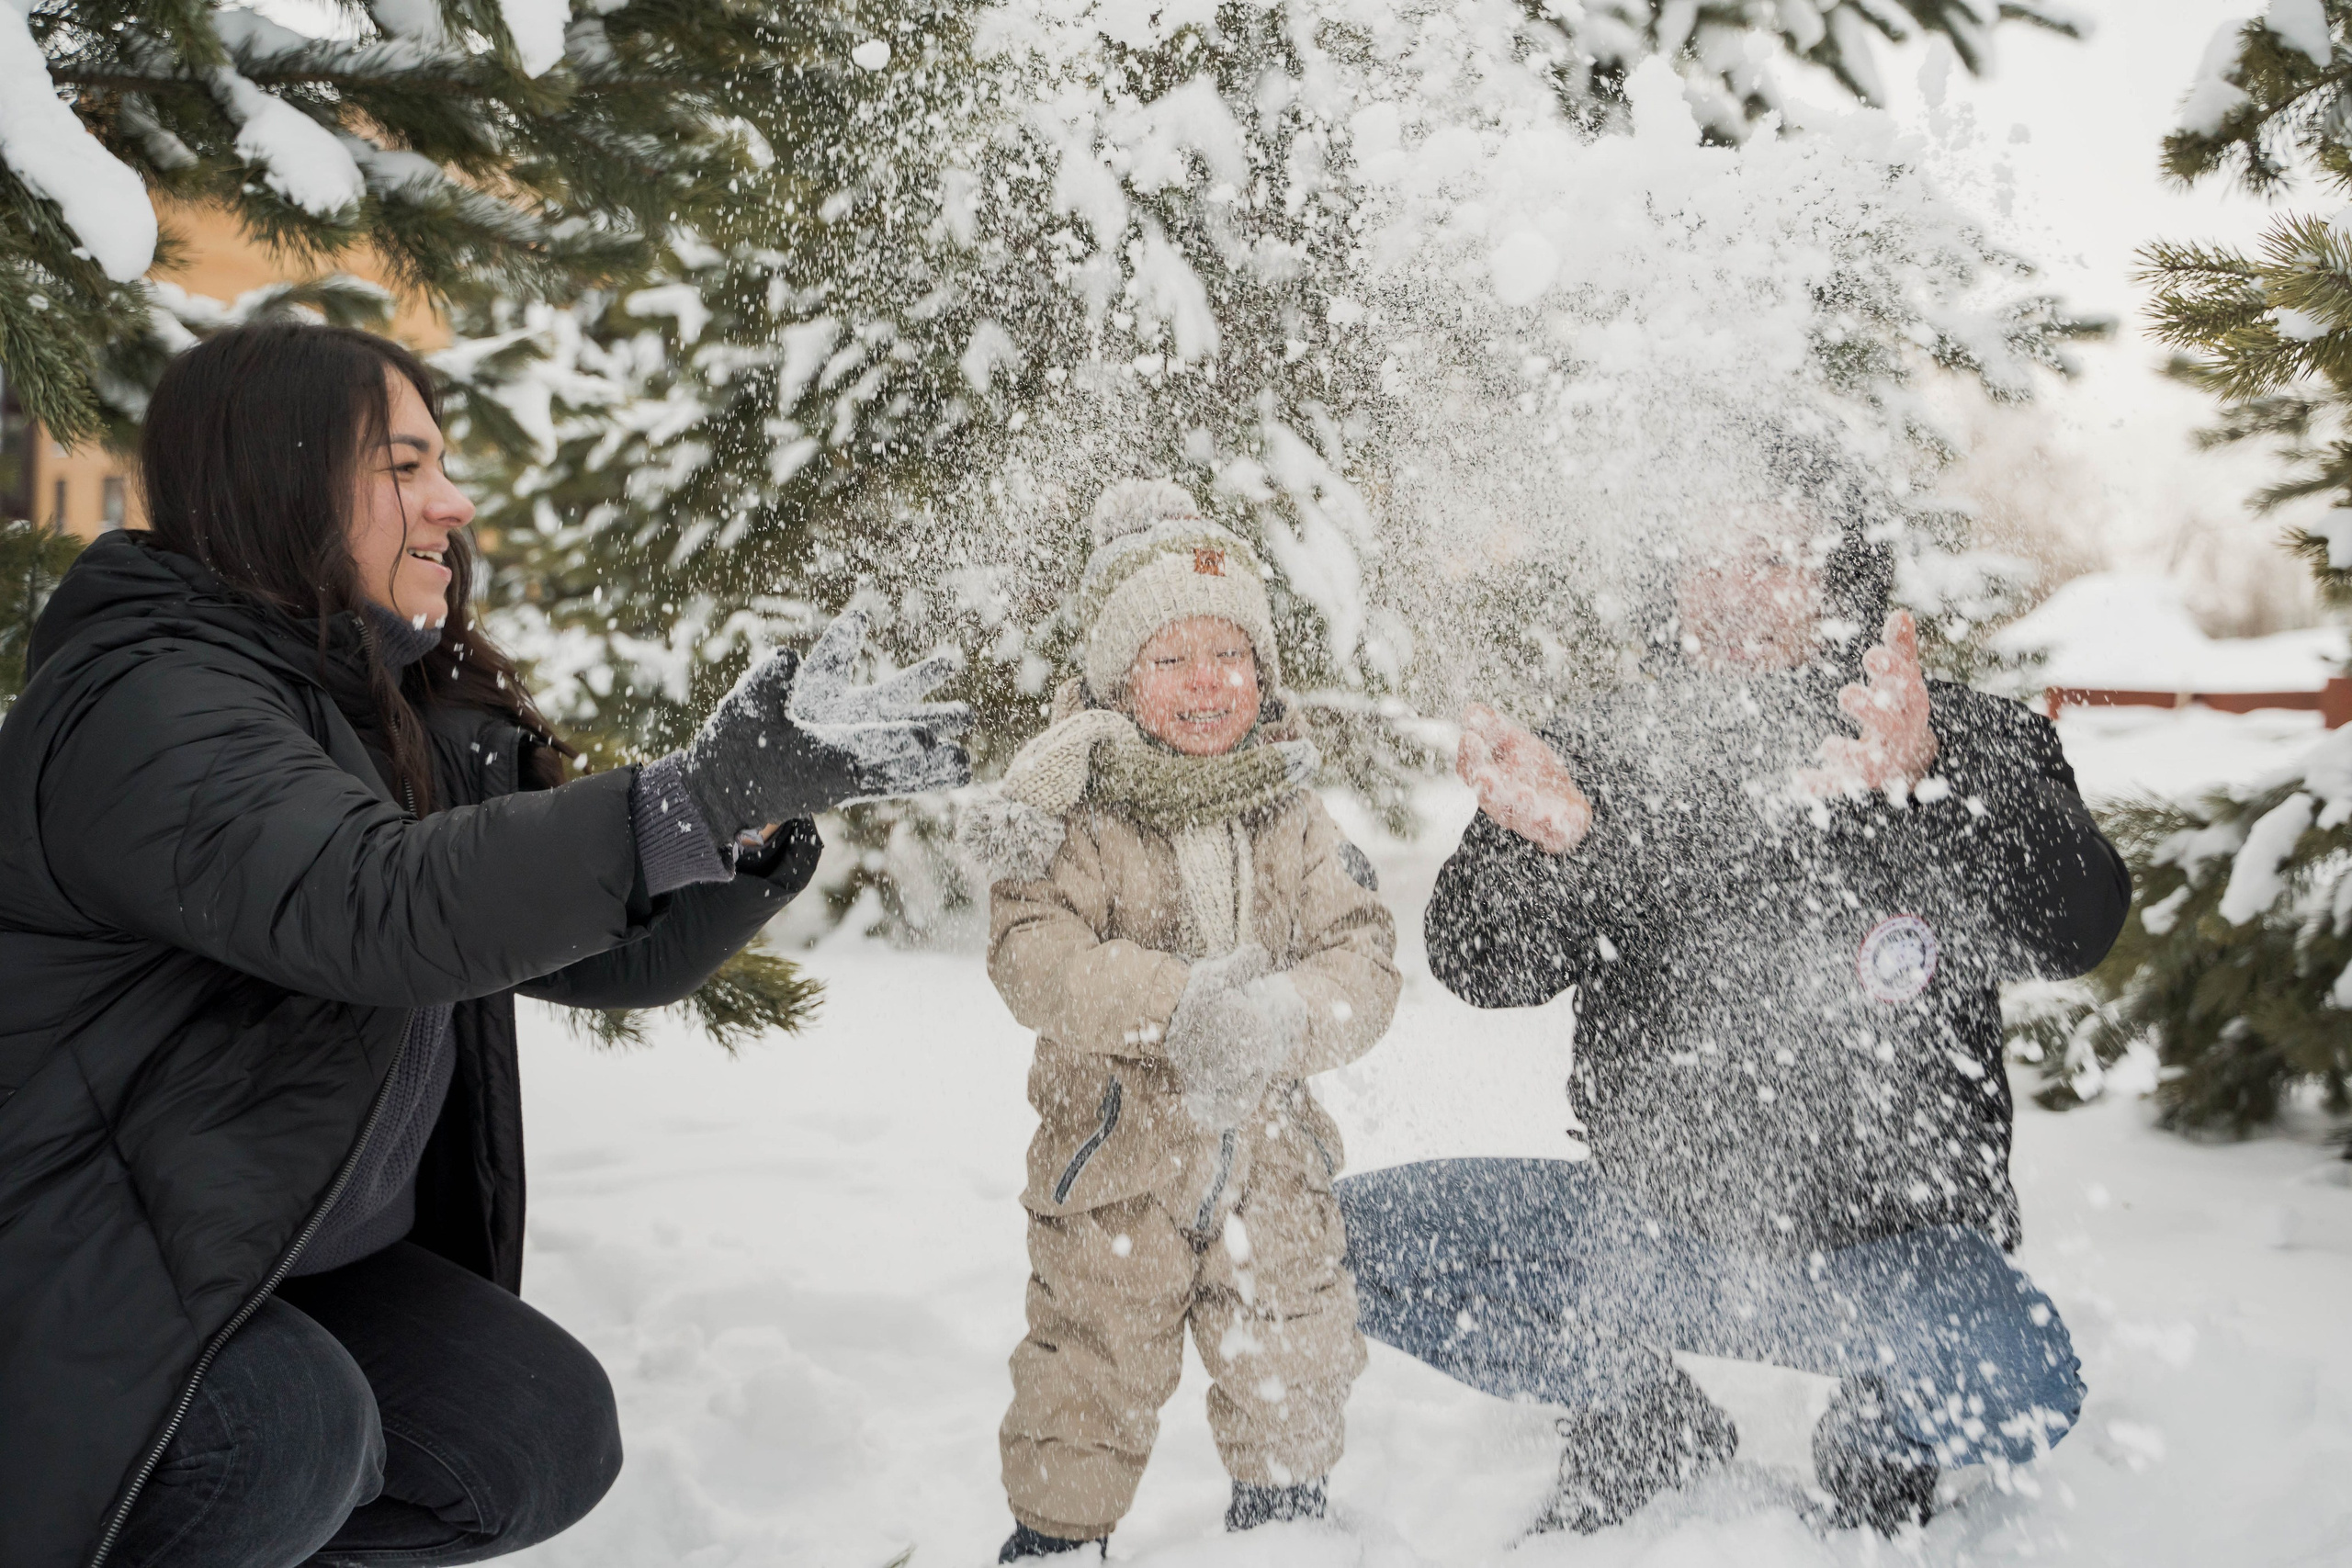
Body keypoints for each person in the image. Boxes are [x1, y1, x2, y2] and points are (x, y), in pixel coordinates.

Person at [0, 321, 970, 1568]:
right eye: (405, 465)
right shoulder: (152, 701)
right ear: (279, 480)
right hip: (66, 1261)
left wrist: (747, 811)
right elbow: (377, 902)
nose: (454, 502)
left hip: (256, 1254)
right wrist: (684, 796)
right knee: (289, 1434)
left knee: (529, 1432)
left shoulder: (370, 704)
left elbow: (605, 952)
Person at [1335, 486, 2132, 1536]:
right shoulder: (1607, 748)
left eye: (1767, 560)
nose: (1729, 594)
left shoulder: (1963, 733)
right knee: (1337, 1241)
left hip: (1893, 1255)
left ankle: (1880, 1435)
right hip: (1655, 1233)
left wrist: (1926, 788)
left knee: (2028, 1379)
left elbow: (2074, 929)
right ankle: (1636, 1411)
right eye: (1703, 561)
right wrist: (1564, 854)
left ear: (1835, 574)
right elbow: (1478, 964)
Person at [957, 480, 1401, 1562]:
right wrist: (1176, 1008)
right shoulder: (1071, 814)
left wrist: (1282, 1016)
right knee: (1089, 1358)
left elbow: (1365, 956)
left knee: (1291, 1337)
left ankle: (1285, 1517)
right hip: (1114, 1162)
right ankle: (1057, 1536)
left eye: (1232, 657)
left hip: (1274, 1161)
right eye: (1171, 660)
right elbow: (1034, 957)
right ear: (1118, 680)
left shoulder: (1288, 807)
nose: (1209, 682)